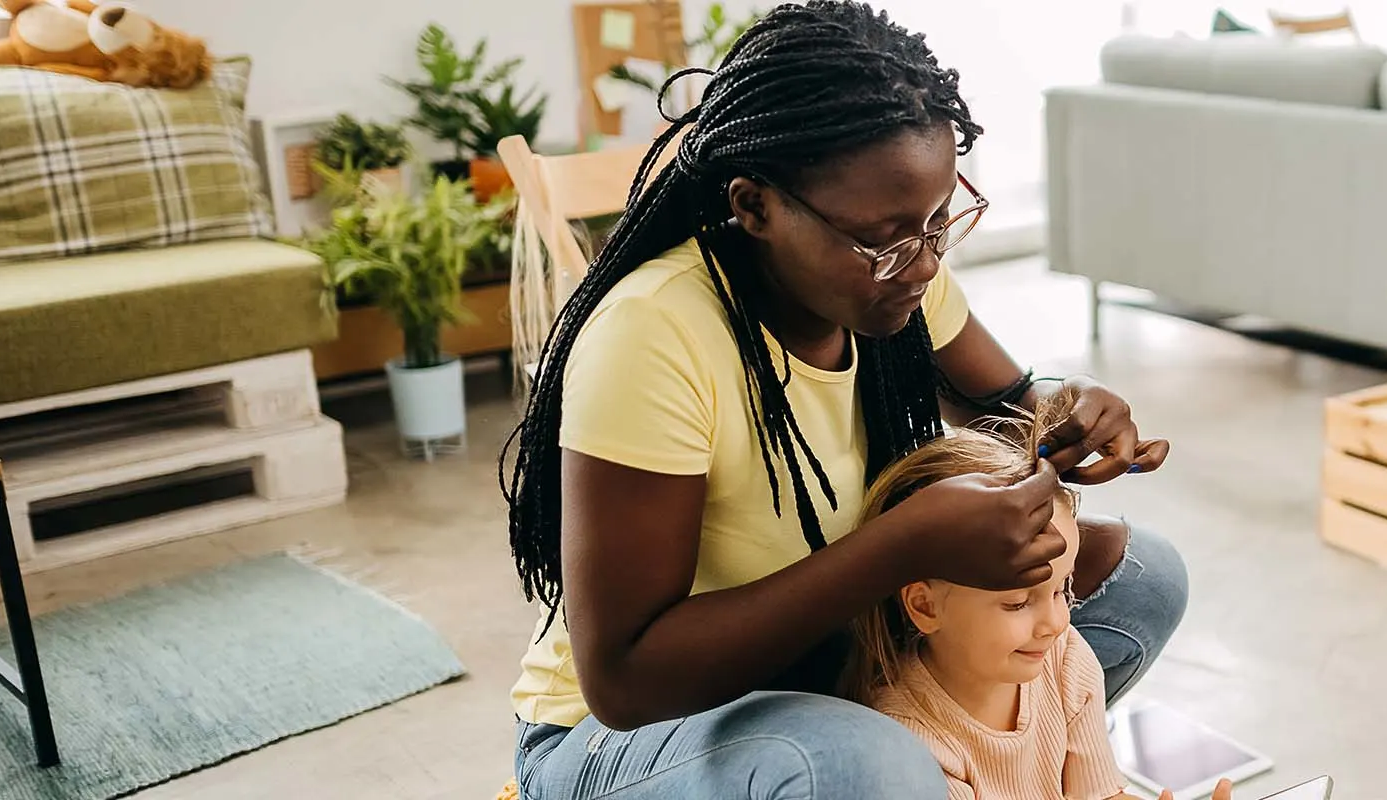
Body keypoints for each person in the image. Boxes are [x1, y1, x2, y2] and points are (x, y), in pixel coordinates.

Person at [498, 2, 1187, 798]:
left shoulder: (891, 277)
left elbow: (1007, 404)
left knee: (1140, 575)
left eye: (937, 224)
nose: (925, 263)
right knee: (857, 763)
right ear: (754, 205)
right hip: (626, 735)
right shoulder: (651, 336)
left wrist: (1068, 414)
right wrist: (902, 545)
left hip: (827, 668)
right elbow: (625, 681)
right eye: (889, 239)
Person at [844, 388, 1166, 800]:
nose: (1057, 622)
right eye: (1017, 603)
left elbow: (1100, 794)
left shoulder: (1065, 659)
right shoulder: (911, 747)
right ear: (924, 606)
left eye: (1062, 588)